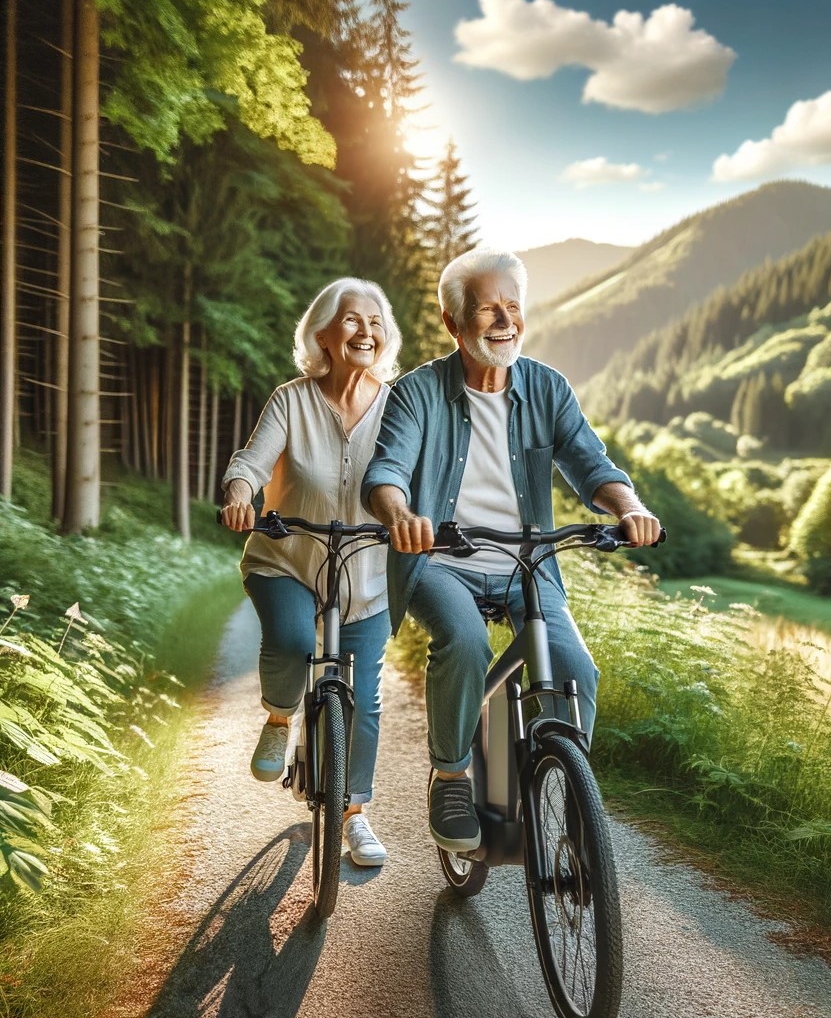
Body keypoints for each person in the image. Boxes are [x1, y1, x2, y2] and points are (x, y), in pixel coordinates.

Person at [361, 247, 661, 853]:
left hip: (528, 563)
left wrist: (629, 507)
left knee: (575, 670)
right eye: (488, 309)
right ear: (454, 323)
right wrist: (402, 517)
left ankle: (578, 813)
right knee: (467, 642)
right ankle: (451, 774)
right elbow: (385, 472)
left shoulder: (547, 387)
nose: (505, 320)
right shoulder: (417, 393)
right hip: (440, 560)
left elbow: (588, 462)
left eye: (513, 306)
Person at [220, 277, 401, 866]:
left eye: (375, 322)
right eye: (351, 320)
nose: (365, 331)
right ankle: (280, 714)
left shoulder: (398, 404)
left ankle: (355, 814)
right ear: (322, 333)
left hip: (366, 577)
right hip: (287, 562)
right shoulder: (291, 399)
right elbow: (251, 461)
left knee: (366, 702)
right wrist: (241, 494)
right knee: (296, 641)